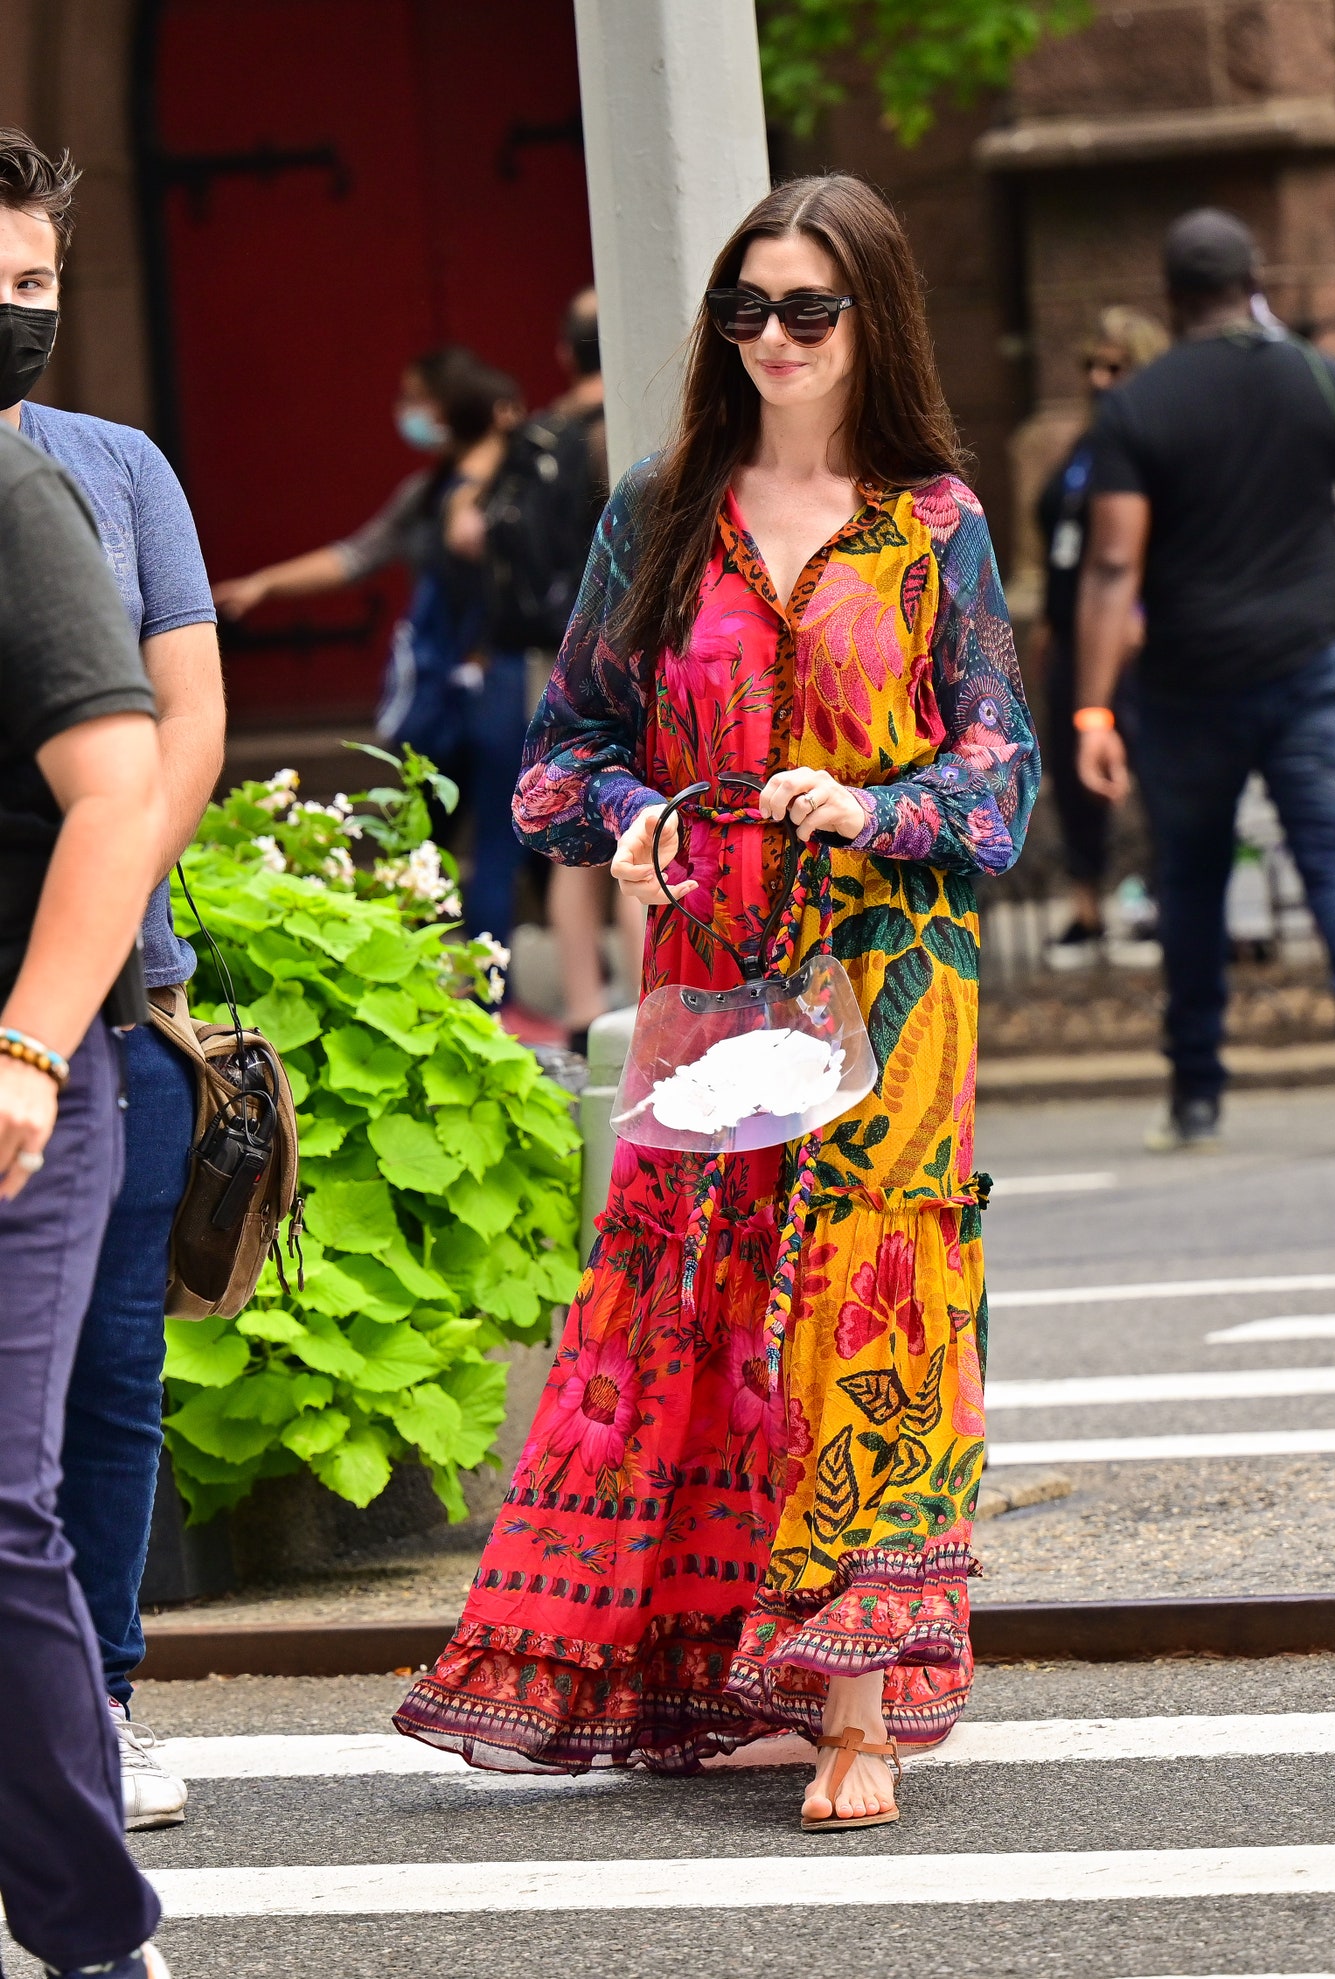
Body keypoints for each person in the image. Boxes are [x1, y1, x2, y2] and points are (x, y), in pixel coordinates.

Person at [396, 174, 1038, 1829]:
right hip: (712, 971)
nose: (769, 337)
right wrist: (634, 818)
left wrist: (875, 804)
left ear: (869, 321)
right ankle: (711, 1669)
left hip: (891, 980)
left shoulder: (934, 524)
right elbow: (558, 758)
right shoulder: (660, 508)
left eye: (806, 310)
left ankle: (855, 1703)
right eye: (744, 309)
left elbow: (1002, 775)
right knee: (704, 1317)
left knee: (860, 1307)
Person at [0, 127, 226, 1835]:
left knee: (106, 1377)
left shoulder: (112, 465)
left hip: (116, 1002)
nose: (24, 311)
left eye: (40, 283)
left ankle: (108, 1697)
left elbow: (181, 726)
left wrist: (79, 951)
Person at [1077, 208, 1335, 1153]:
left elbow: (1113, 567)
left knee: (1190, 878)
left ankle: (1196, 1094)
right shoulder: (1320, 377)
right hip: (1317, 664)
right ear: (1251, 279)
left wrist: (1094, 706)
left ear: (1172, 296)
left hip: (1190, 685)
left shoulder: (1139, 407)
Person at [0, 409, 168, 1971]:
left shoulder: (15, 492)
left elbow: (122, 788)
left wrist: (29, 1050)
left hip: (19, 1074)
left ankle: (90, 1938)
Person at [212, 347, 525, 942]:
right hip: (464, 687)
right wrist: (264, 585)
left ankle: (467, 991)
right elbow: (357, 555)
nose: (407, 412)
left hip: (492, 684)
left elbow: (358, 556)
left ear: (453, 407)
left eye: (418, 398)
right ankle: (466, 988)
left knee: (454, 843)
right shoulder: (435, 491)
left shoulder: (486, 494)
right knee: (457, 842)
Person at [447, 288, 645, 1042]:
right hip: (640, 651)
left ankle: (587, 1012)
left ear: (565, 352)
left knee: (581, 831)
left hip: (559, 657)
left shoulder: (540, 438)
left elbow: (469, 532)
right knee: (644, 823)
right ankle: (650, 1002)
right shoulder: (635, 430)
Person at [1034, 306, 1167, 961]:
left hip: (1130, 641)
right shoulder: (1087, 445)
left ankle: (1163, 900)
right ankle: (1086, 908)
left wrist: (1136, 615)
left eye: (1115, 366)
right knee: (1071, 768)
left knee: (1144, 762)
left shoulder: (1151, 439)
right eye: (1091, 364)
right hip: (1073, 638)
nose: (1098, 377)